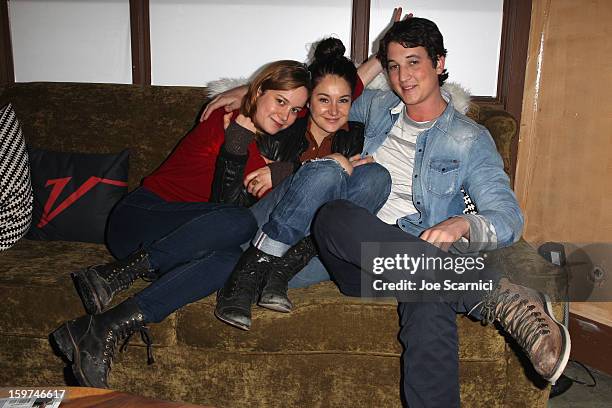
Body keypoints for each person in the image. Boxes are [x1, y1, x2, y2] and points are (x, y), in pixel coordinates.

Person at [309, 17, 570, 407]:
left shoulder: (470, 139)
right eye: (394, 66)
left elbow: (507, 217)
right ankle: (494, 295)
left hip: (421, 266)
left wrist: (463, 222)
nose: (403, 77)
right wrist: (246, 92)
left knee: (427, 291)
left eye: (414, 62)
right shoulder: (378, 107)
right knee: (333, 214)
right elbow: (321, 90)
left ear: (440, 63)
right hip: (356, 258)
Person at [50, 60, 312, 389]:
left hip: (179, 245)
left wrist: (284, 169)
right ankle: (114, 274)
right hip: (139, 217)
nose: (286, 116)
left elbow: (333, 94)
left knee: (230, 259)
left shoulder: (268, 153)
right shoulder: (224, 118)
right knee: (239, 221)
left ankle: (103, 327)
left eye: (294, 110)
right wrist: (245, 89)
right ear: (259, 91)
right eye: (280, 102)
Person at [212, 38, 392, 331]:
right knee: (328, 171)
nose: (334, 111)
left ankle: (278, 271)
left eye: (343, 100)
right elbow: (224, 210)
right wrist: (291, 171)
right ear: (308, 102)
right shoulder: (277, 129)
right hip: (253, 238)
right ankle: (246, 275)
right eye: (324, 99)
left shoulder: (359, 138)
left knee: (377, 176)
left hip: (302, 260)